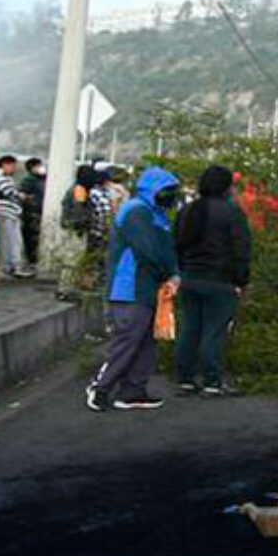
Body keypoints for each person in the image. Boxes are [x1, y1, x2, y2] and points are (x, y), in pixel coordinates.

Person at [85, 167, 182, 411]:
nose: (171, 196)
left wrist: (173, 275)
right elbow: (148, 251)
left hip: (147, 288)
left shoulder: (152, 213)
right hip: (129, 289)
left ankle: (133, 391)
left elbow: (164, 252)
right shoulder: (137, 212)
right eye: (167, 191)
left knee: (144, 342)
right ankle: (100, 387)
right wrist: (170, 274)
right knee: (128, 341)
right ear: (154, 190)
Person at [172, 165, 252, 395]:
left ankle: (185, 379)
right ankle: (212, 381)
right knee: (214, 332)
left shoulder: (188, 211)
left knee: (190, 330)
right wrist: (241, 280)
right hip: (220, 280)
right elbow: (241, 250)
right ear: (227, 187)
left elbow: (176, 244)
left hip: (190, 278)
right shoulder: (232, 212)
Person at [0, 154, 31, 279]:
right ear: (5, 165)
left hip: (11, 214)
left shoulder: (4, 178)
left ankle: (13, 266)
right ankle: (8, 268)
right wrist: (22, 196)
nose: (14, 169)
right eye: (13, 166)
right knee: (8, 242)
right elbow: (10, 192)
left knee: (13, 241)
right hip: (5, 214)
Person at [20, 157, 46, 270]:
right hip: (32, 213)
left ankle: (36, 259)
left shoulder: (43, 179)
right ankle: (31, 260)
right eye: (38, 166)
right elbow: (23, 195)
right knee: (31, 237)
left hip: (40, 211)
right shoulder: (28, 180)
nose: (41, 168)